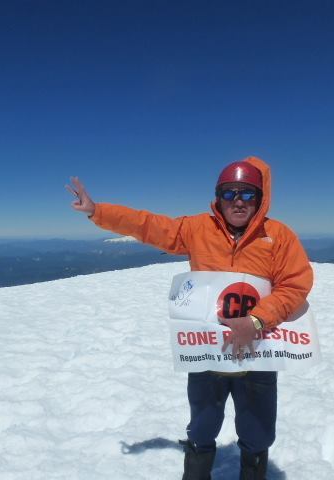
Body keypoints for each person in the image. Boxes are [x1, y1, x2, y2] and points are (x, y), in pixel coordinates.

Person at [67, 156, 313, 480]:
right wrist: (98, 212)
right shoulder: (198, 229)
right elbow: (150, 225)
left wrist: (255, 320)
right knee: (201, 426)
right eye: (229, 193)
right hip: (208, 350)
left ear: (260, 197)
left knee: (258, 432)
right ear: (218, 197)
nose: (238, 201)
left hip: (257, 352)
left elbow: (295, 285)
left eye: (247, 194)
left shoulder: (278, 236)